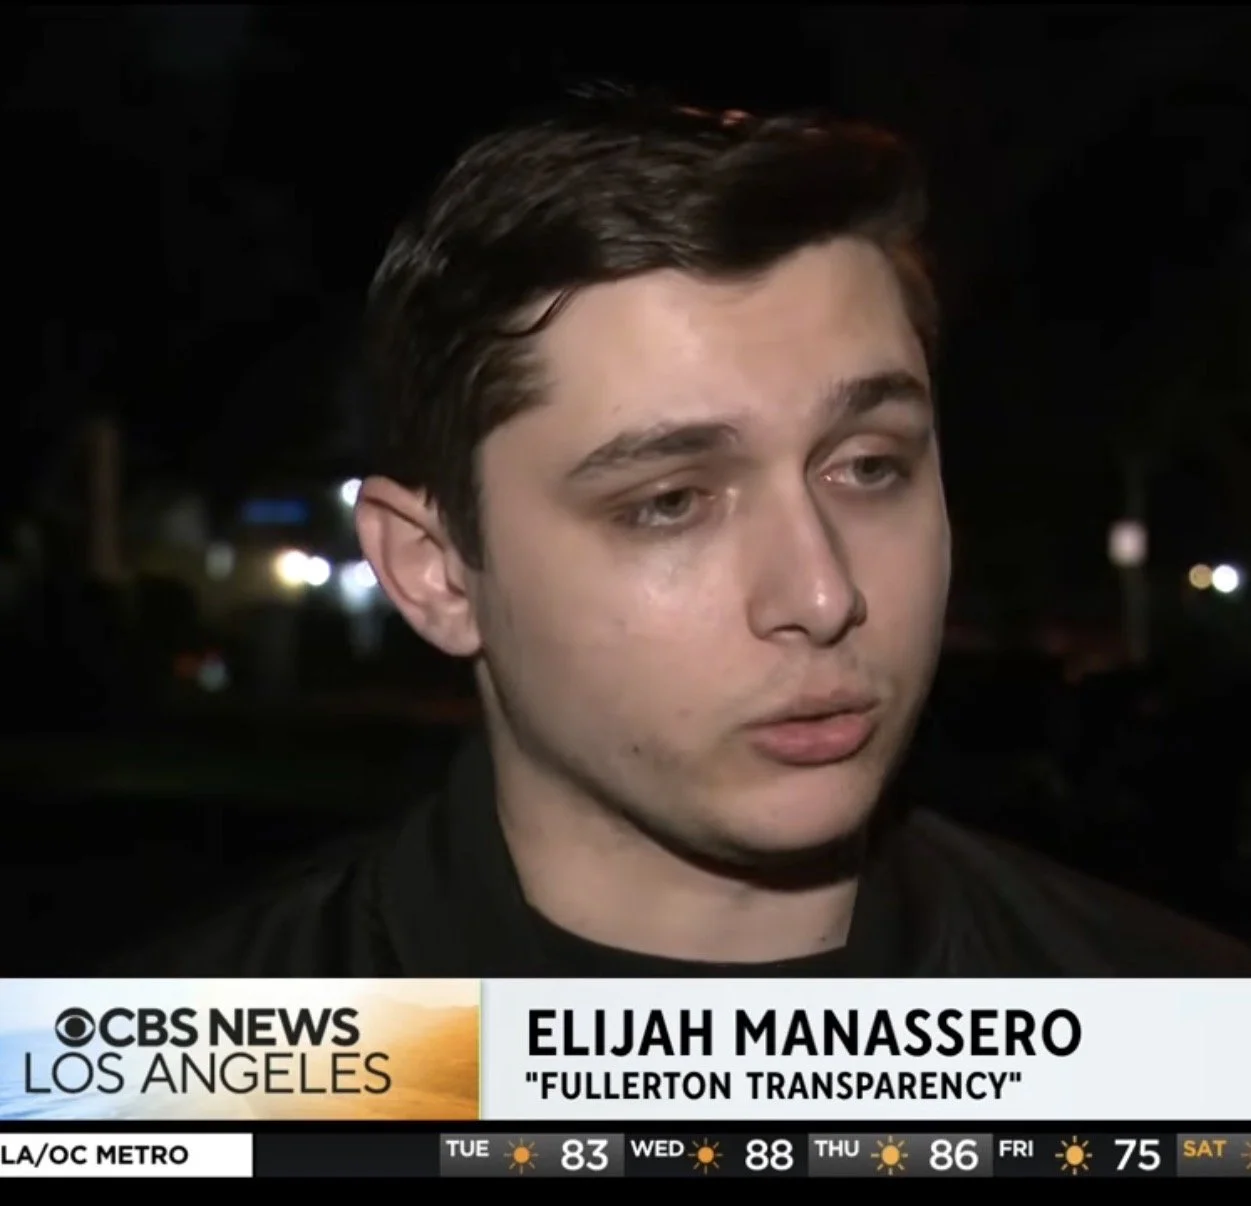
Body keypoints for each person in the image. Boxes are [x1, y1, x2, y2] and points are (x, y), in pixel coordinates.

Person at [110, 91, 1251, 976]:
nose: (820, 594)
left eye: (869, 467)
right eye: (670, 501)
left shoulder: (1183, 1053)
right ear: (434, 569)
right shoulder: (183, 1091)